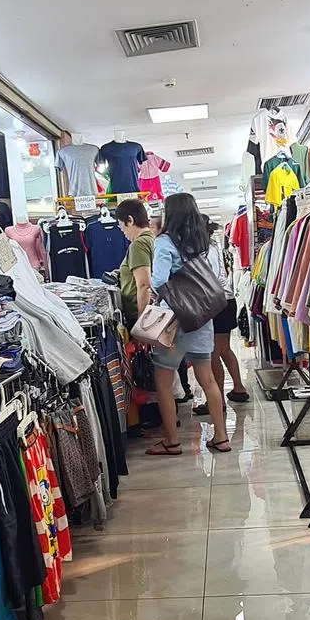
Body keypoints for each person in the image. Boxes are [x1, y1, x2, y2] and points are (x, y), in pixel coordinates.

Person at [145, 194, 231, 455]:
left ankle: (172, 441)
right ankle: (221, 436)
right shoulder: (204, 243)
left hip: (173, 320)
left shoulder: (164, 243)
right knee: (207, 378)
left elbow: (158, 280)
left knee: (163, 379)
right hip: (201, 318)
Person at [193, 221, 249, 417]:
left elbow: (208, 278)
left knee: (214, 353)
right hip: (226, 299)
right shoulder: (213, 247)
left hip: (216, 302)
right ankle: (239, 388)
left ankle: (216, 402)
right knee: (224, 349)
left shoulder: (203, 250)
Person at [116, 199, 154, 324]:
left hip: (140, 313)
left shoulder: (138, 245)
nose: (122, 231)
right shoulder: (153, 239)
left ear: (130, 220)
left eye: (121, 226)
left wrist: (141, 321)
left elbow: (144, 285)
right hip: (153, 311)